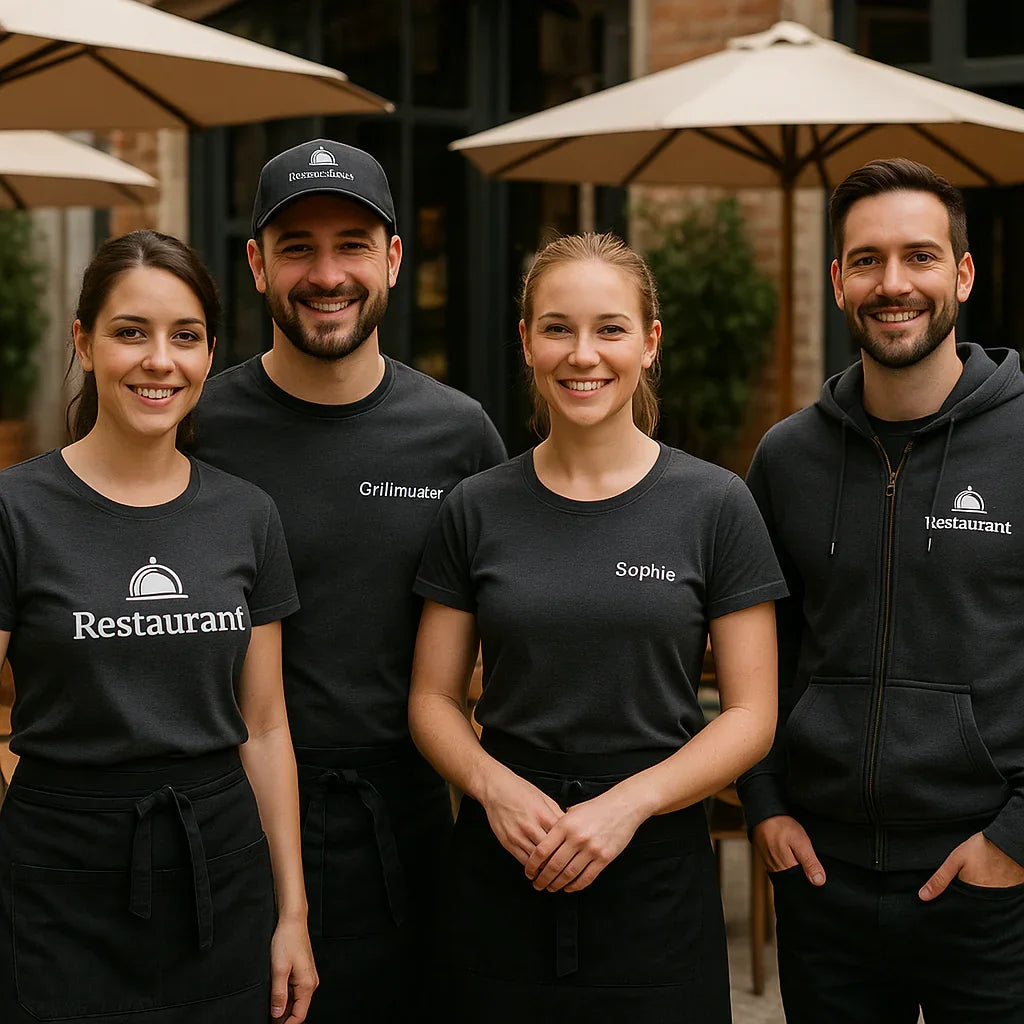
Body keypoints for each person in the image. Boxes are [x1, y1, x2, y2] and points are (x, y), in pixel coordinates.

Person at [409, 232, 785, 1022]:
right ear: (527, 342)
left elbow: (752, 715)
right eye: (558, 328)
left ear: (650, 343)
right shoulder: (476, 507)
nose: (584, 354)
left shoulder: (716, 505)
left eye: (610, 328)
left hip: (655, 876)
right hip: (503, 862)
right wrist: (492, 788)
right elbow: (432, 700)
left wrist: (631, 803)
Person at [191, 139, 506, 1021]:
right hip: (226, 817)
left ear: (395, 259)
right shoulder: (198, 425)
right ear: (256, 264)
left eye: (353, 244)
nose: (326, 274)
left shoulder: (459, 435)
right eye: (297, 246)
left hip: (403, 821)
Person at [0, 231, 316, 1023]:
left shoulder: (247, 515)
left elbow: (267, 727)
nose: (159, 361)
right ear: (84, 342)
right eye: (130, 332)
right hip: (56, 880)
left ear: (211, 354)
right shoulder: (16, 509)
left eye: (185, 336)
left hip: (220, 871)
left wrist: (292, 918)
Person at [739, 157, 1024, 1023]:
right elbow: (760, 656)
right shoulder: (785, 459)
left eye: (920, 257)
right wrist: (765, 808)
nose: (892, 284)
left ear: (963, 274)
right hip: (822, 884)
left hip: (989, 889)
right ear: (837, 280)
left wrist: (1014, 843)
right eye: (866, 260)